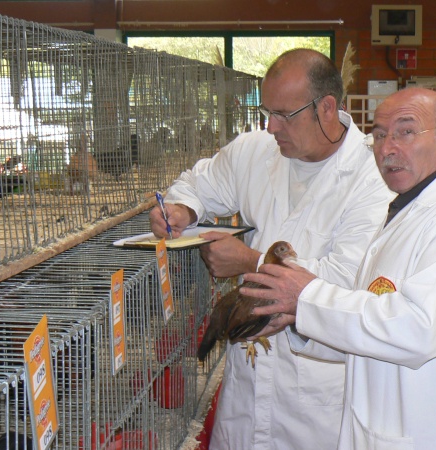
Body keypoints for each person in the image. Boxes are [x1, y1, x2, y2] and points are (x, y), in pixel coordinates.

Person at [149, 48, 393, 449]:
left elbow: (349, 279)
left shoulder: (371, 177)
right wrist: (180, 209)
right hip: (247, 387)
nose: (271, 125)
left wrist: (249, 261)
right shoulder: (255, 151)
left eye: (284, 114)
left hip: (318, 396)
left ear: (327, 108)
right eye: (267, 111)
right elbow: (195, 185)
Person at [243, 87, 436, 449]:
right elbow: (370, 332)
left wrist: (308, 298)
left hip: (432, 436)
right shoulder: (404, 213)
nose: (387, 148)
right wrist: (300, 319)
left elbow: (418, 329)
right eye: (380, 135)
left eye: (405, 131)